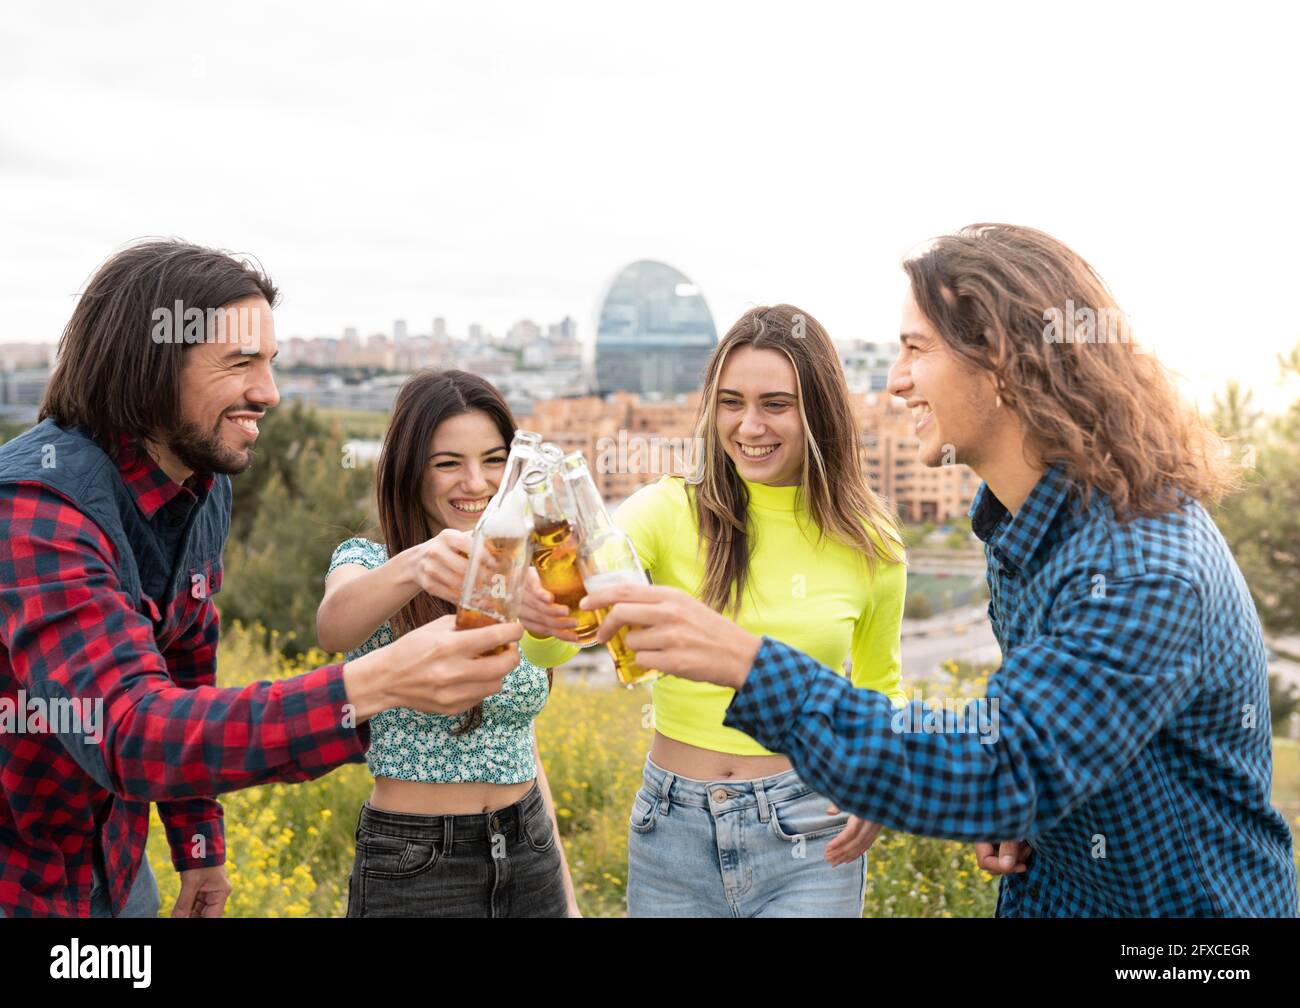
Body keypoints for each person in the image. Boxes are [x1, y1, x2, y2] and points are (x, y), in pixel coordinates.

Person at [582, 223, 1300, 917]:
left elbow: (1001, 764)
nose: (895, 382)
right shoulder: (1026, 526)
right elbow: (1046, 737)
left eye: (916, 350)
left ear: (1003, 364)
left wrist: (747, 662)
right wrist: (1038, 815)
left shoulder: (1141, 565)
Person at [0, 241, 521, 918]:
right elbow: (129, 729)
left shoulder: (203, 481)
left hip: (115, 864)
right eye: (241, 364)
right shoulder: (37, 509)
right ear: (150, 365)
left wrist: (198, 844)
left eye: (270, 364)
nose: (268, 393)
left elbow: (181, 664)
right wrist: (374, 683)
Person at [527, 305, 907, 917]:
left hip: (812, 826)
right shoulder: (664, 508)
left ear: (820, 411)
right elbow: (556, 642)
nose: (749, 426)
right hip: (672, 831)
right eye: (731, 402)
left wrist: (878, 778)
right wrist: (544, 613)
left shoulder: (872, 540)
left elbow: (879, 683)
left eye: (775, 404)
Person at [317, 369, 579, 917]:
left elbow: (520, 742)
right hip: (416, 861)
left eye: (492, 460)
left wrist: (567, 893)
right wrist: (419, 562)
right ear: (411, 471)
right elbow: (332, 627)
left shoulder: (520, 574)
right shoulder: (371, 563)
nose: (476, 482)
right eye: (447, 463)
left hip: (530, 848)